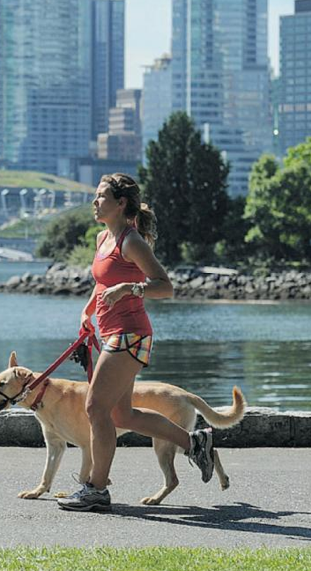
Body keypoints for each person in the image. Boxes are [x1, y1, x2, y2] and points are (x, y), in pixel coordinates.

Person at [57, 173, 216, 512]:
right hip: (111, 332)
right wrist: (89, 310)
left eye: (102, 196)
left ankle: (96, 489)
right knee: (122, 415)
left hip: (131, 334)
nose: (95, 201)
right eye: (96, 196)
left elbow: (165, 286)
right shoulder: (103, 238)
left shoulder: (131, 242)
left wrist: (131, 288)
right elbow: (104, 283)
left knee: (95, 408)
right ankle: (194, 442)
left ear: (121, 203)